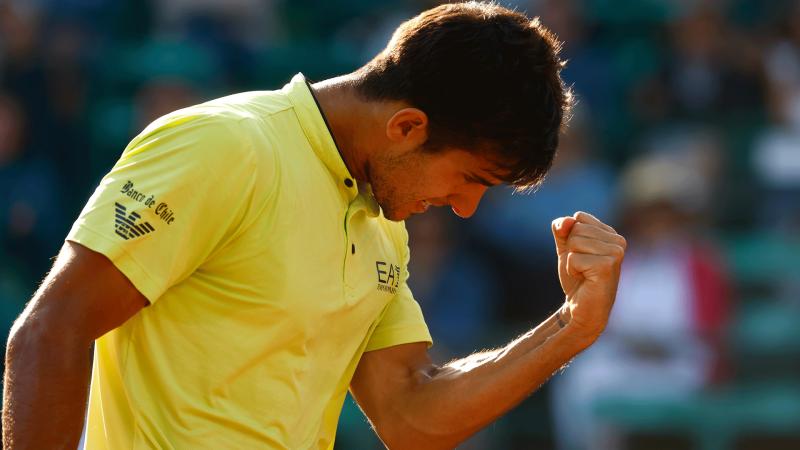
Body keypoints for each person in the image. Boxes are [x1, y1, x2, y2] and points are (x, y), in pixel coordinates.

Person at [3, 3, 626, 449]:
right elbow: (51, 330)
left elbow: (412, 418)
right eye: (470, 180)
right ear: (407, 127)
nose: (465, 208)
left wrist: (570, 328)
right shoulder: (225, 146)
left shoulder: (385, 222)